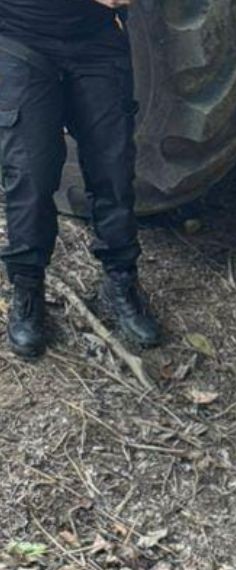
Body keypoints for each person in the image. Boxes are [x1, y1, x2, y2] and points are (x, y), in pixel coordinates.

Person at [0, 0, 162, 360]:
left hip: (96, 38)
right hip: (21, 35)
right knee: (31, 174)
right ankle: (27, 289)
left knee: (113, 168)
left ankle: (121, 280)